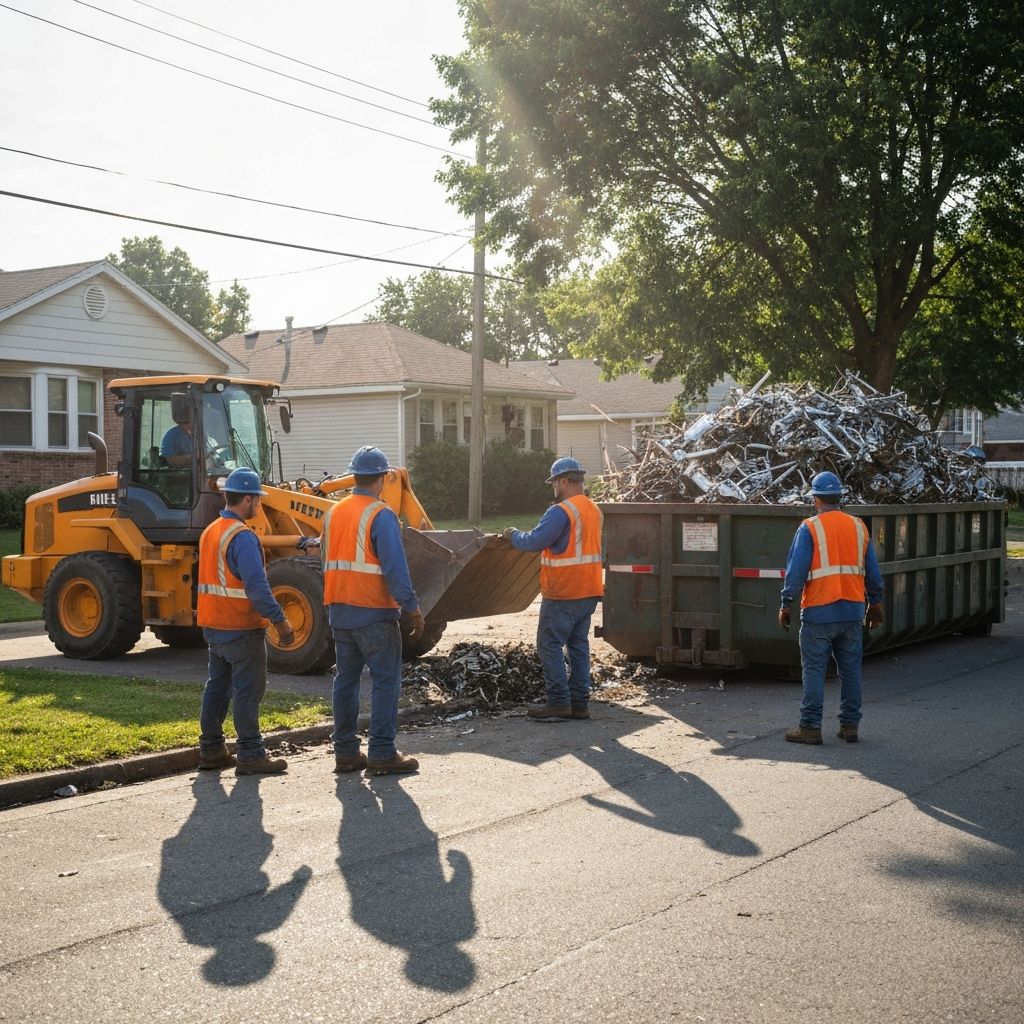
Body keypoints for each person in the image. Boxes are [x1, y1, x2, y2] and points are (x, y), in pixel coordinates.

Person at [323, 446, 425, 775]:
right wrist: (412, 608)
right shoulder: (381, 515)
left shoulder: (333, 512)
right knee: (385, 682)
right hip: (374, 613)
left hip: (339, 610)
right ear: (382, 478)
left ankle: (346, 753)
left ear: (354, 476)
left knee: (346, 681)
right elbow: (396, 569)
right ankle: (381, 752)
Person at [196, 467, 296, 775]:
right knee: (248, 691)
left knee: (217, 687)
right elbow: (257, 586)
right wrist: (280, 621)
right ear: (249, 500)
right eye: (259, 500)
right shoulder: (242, 537)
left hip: (213, 625)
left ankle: (211, 750)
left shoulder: (211, 531)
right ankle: (251, 753)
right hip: (241, 627)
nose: (260, 505)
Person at [778, 471, 885, 744]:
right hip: (851, 611)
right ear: (840, 498)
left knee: (814, 670)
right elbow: (872, 570)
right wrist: (876, 602)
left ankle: (810, 727)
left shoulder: (810, 528)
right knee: (850, 670)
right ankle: (850, 726)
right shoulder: (859, 527)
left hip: (818, 611)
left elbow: (796, 573)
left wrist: (785, 604)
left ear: (816, 500)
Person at [503, 456, 604, 721]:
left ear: (563, 481)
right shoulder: (593, 509)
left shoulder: (562, 512)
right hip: (589, 589)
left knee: (549, 644)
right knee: (578, 646)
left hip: (564, 591)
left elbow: (534, 541)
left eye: (554, 484)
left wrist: (512, 535)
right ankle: (579, 704)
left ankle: (559, 702)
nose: (554, 490)